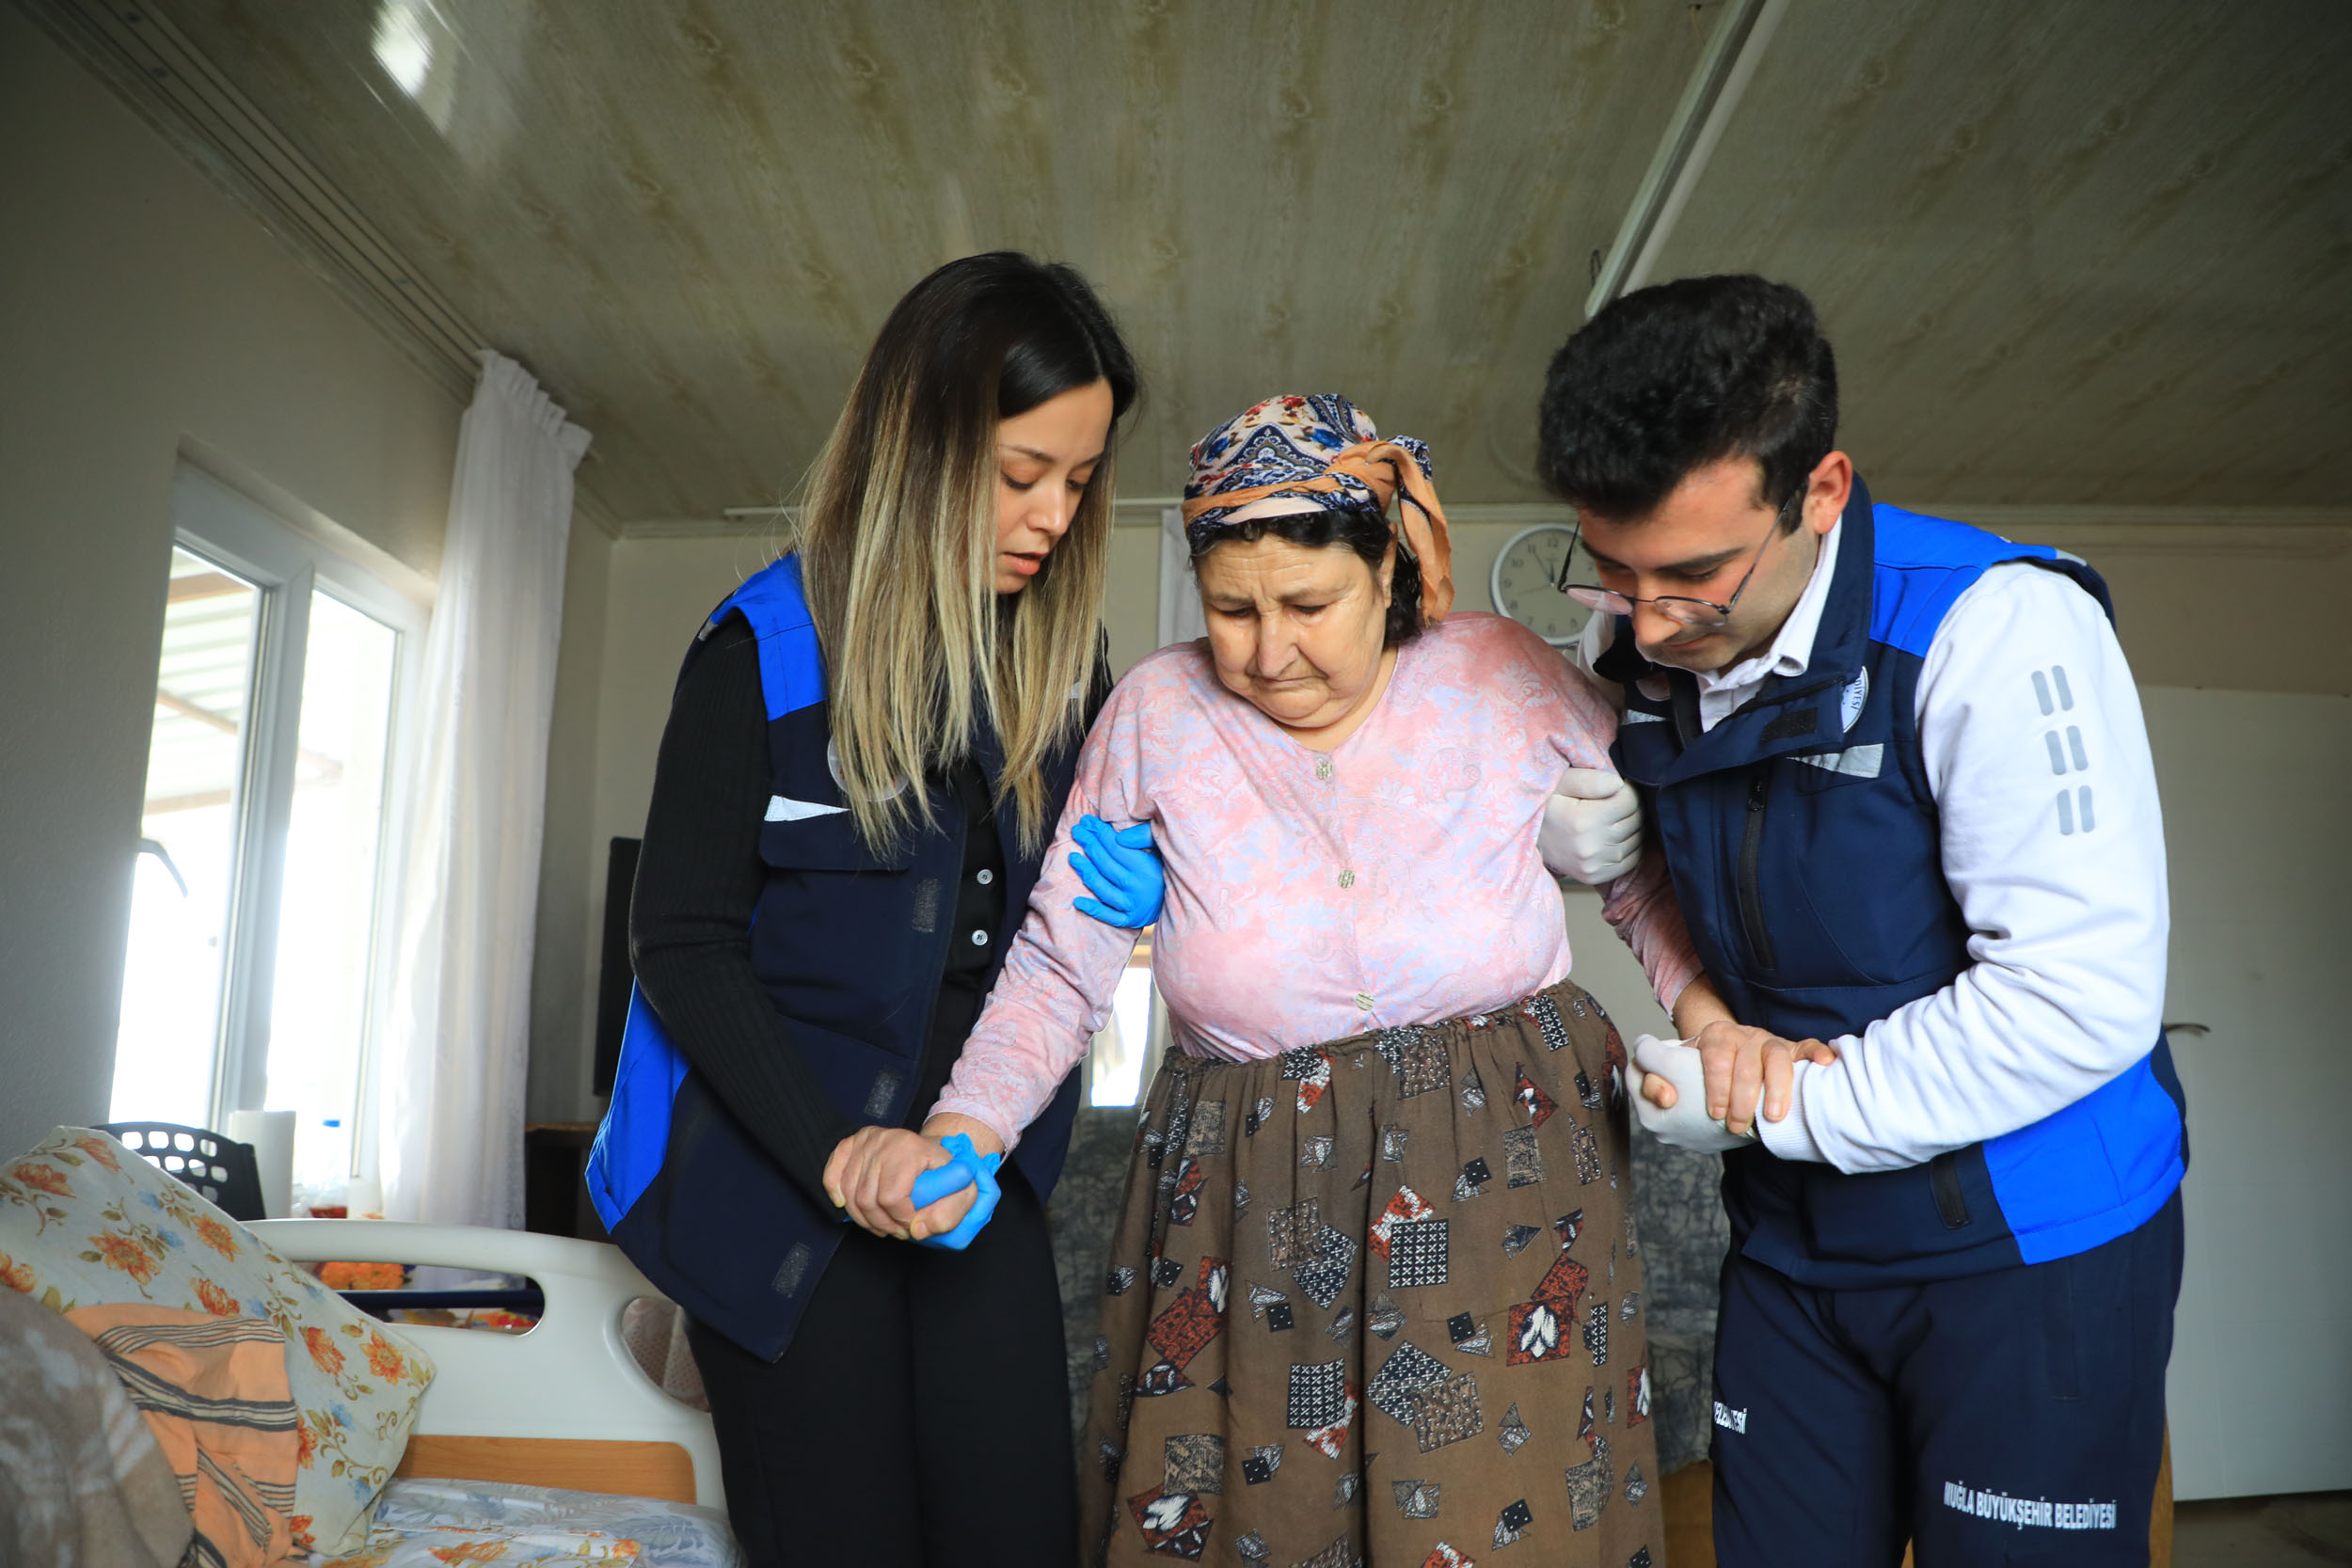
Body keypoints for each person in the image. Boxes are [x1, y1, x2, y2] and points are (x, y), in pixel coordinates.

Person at [850, 393, 1720, 1566]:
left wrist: (1716, 1024)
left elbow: (1645, 879)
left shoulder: (1501, 672)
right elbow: (1061, 959)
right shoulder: (1157, 708)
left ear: (1391, 578)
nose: (1267, 650)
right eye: (1231, 610)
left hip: (1506, 1176)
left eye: (1310, 605)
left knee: (1494, 1517)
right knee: (1256, 1524)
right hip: (1249, 1182)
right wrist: (965, 1126)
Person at [1536, 274, 2184, 1566]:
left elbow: (2075, 995)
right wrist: (1617, 854)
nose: (1652, 621)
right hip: (1789, 1240)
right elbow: (1708, 882)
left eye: (1696, 575)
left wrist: (1774, 1101)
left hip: (2027, 1243)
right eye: (1614, 572)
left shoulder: (1996, 631)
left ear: (1819, 492)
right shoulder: (1659, 653)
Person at [583, 252, 1164, 1568]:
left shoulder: (1072, 673)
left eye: (1079, 480)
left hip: (974, 1173)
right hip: (779, 1175)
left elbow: (1058, 943)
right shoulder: (762, 654)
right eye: (1023, 474)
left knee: (1017, 1526)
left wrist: (1147, 909)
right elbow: (679, 939)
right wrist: (840, 1151)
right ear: (922, 442)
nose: (1055, 515)